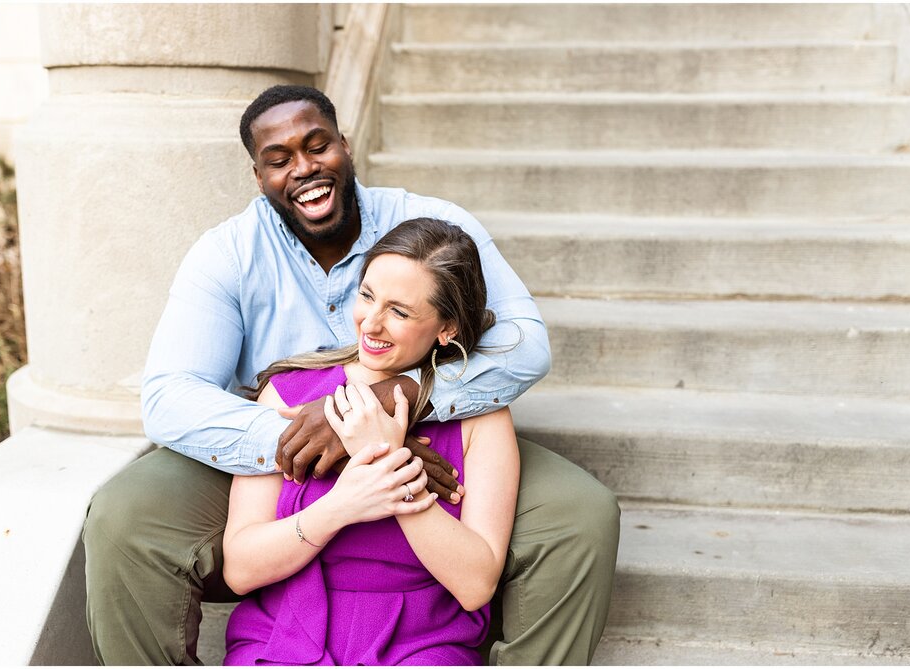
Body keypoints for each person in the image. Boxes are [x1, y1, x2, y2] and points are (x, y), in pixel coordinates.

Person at [82, 84, 620, 666]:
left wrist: (400, 398)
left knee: (581, 514)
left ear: (346, 143)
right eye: (279, 159)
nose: (305, 169)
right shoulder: (228, 255)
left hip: (436, 434)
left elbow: (525, 344)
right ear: (257, 174)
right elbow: (169, 399)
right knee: (124, 515)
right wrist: (315, 445)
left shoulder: (432, 224)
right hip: (274, 443)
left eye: (318, 146)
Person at [222, 217, 520, 665]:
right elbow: (240, 570)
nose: (371, 323)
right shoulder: (289, 395)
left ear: (447, 328)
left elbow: (476, 584)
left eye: (399, 311)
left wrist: (391, 473)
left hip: (421, 642)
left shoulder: (482, 418)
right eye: (366, 296)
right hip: (286, 631)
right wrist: (343, 505)